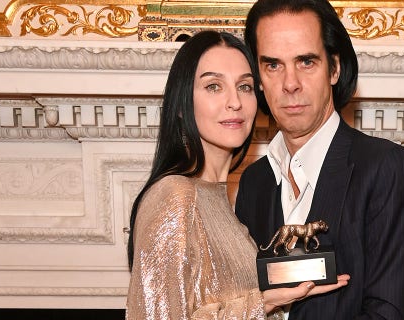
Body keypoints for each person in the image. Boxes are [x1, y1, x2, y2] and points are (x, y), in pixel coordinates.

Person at [125, 30, 349, 320]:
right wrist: (262, 305)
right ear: (181, 105)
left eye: (244, 86)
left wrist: (269, 302)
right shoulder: (176, 198)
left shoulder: (217, 200)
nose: (235, 102)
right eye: (214, 86)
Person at [235, 0, 404, 319]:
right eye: (273, 65)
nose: (290, 83)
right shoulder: (254, 181)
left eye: (306, 62)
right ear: (257, 78)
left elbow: (387, 312)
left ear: (334, 68)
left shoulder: (387, 168)